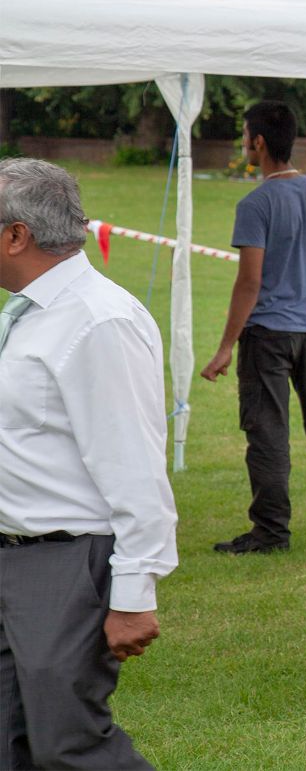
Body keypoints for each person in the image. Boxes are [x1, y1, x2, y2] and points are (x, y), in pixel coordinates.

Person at [0, 159, 178, 769]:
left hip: (67, 560)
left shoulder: (99, 320)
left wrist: (134, 592)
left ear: (16, 235)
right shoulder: (30, 312)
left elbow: (134, 466)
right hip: (17, 554)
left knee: (68, 746)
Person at [201, 101, 306, 553]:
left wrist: (224, 348)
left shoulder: (255, 204)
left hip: (267, 336)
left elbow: (250, 281)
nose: (244, 143)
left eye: (244, 136)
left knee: (268, 431)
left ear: (258, 142)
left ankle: (271, 531)